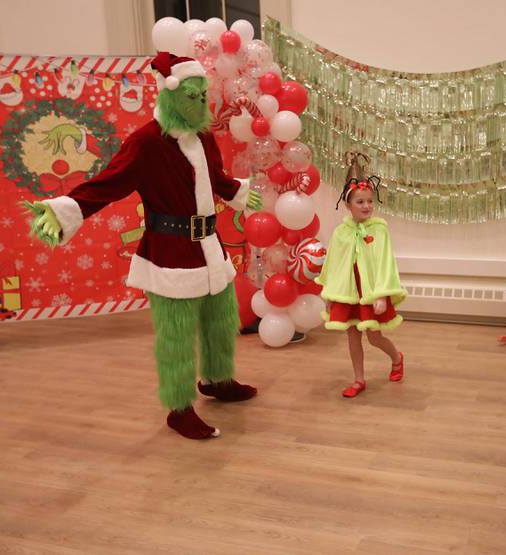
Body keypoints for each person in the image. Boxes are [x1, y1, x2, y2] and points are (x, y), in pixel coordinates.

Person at [26, 45, 263, 440]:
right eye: (192, 97)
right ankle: (179, 407)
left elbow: (215, 178)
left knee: (220, 321)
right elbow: (109, 182)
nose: (200, 104)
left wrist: (239, 192)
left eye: (203, 96)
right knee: (176, 335)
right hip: (171, 253)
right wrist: (65, 209)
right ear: (170, 96)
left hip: (210, 246)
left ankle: (218, 380)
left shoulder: (204, 137)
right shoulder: (146, 142)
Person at [316, 153, 407, 398]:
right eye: (360, 202)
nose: (366, 206)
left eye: (369, 201)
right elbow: (333, 265)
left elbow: (385, 263)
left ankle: (397, 358)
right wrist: (329, 294)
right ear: (348, 205)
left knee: (374, 337)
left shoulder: (379, 230)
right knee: (352, 336)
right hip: (348, 291)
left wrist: (381, 295)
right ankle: (358, 379)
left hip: (370, 291)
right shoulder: (340, 232)